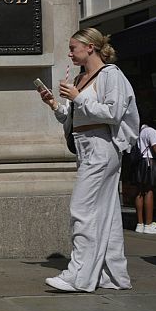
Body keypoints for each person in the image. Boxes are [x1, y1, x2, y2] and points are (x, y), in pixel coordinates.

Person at [37, 27, 139, 292]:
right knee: (106, 212)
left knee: (82, 209)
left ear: (90, 47)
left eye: (73, 48)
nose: (70, 53)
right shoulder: (82, 77)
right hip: (85, 146)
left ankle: (78, 274)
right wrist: (55, 104)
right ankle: (112, 274)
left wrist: (78, 97)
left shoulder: (111, 75)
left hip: (101, 146)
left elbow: (114, 113)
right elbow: (74, 119)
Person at [134, 121, 156, 234]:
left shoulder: (138, 132)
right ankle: (149, 224)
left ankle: (140, 224)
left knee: (140, 192)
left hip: (139, 163)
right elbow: (155, 148)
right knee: (149, 191)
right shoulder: (151, 131)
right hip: (148, 162)